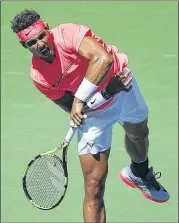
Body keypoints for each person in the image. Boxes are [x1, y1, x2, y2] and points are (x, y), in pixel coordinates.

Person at [11, 9, 169, 223]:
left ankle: (138, 172)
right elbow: (76, 110)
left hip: (122, 86)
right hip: (96, 113)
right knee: (93, 189)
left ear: (47, 29)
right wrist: (103, 94)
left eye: (41, 36)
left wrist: (81, 98)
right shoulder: (39, 77)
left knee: (138, 134)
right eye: (32, 43)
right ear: (25, 46)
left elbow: (103, 59)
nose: (40, 44)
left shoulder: (68, 33)